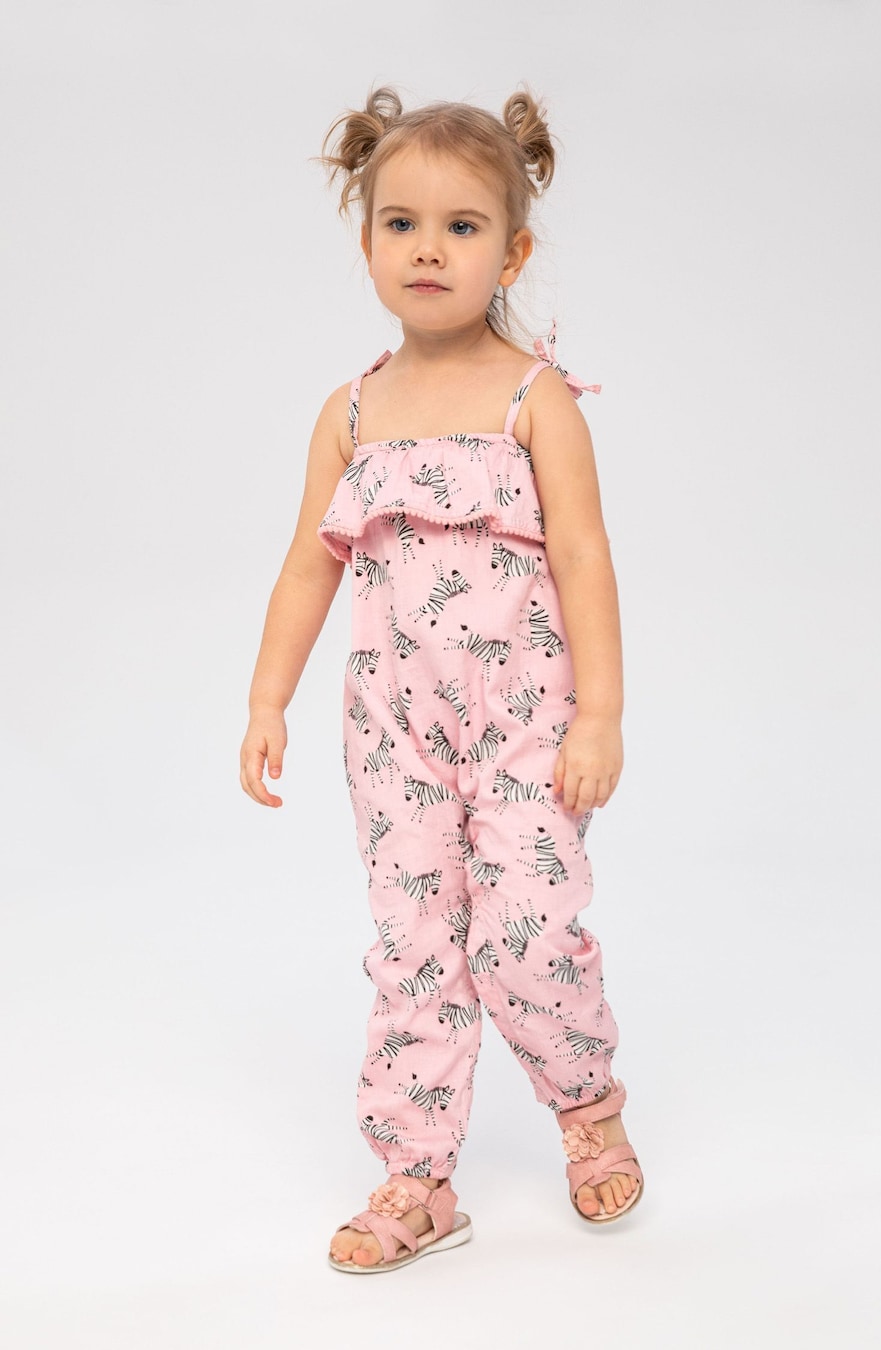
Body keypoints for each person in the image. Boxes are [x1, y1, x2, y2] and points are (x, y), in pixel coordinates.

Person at [239, 87, 644, 1273]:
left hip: (526, 733)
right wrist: (266, 699)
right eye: (401, 224)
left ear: (510, 254)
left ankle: (588, 1107)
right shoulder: (353, 412)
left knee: (526, 933)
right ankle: (416, 1176)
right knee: (414, 944)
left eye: (462, 227)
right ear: (369, 241)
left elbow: (585, 557)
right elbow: (306, 567)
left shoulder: (536, 402)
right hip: (395, 736)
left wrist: (602, 715)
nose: (428, 249)